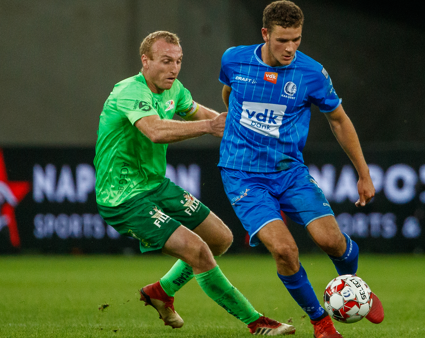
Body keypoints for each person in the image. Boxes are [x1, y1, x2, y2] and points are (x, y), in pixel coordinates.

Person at [94, 30, 295, 336]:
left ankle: (160, 292)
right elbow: (155, 131)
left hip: (155, 185)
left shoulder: (175, 89)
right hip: (122, 197)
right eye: (165, 61)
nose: (173, 68)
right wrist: (208, 126)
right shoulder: (130, 91)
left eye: (178, 61)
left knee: (220, 238)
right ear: (145, 61)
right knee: (198, 251)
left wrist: (249, 136)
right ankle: (257, 323)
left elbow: (206, 114)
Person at [218, 1, 384, 337]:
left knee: (332, 241)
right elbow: (229, 92)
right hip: (242, 174)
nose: (290, 47)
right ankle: (321, 323)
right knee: (284, 249)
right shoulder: (234, 58)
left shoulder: (311, 73)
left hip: (289, 171)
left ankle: (354, 286)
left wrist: (363, 173)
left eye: (297, 39)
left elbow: (338, 120)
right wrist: (237, 129)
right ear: (265, 34)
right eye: (282, 40)